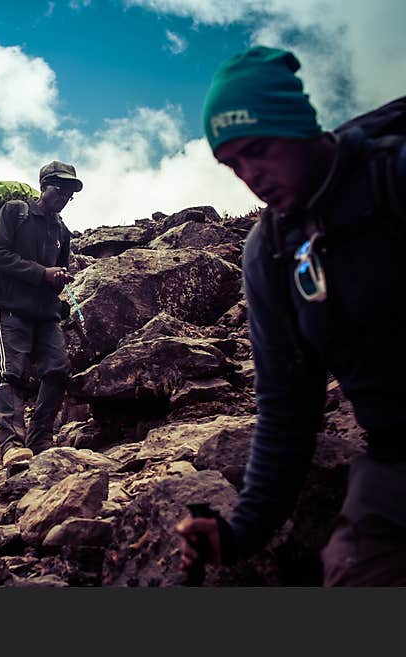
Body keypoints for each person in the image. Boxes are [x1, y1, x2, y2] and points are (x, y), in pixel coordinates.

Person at [176, 46, 406, 585]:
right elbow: (286, 409)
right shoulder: (271, 251)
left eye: (259, 150)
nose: (250, 176)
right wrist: (237, 534)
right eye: (232, 164)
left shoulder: (393, 178)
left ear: (298, 125)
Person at [0, 161, 81, 470]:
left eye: (69, 192)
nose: (64, 196)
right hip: (11, 307)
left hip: (46, 312)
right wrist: (42, 274)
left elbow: (59, 267)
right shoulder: (16, 211)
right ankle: (11, 444)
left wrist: (59, 278)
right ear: (44, 186)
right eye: (59, 189)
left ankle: (40, 438)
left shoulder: (61, 230)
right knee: (11, 372)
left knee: (58, 369)